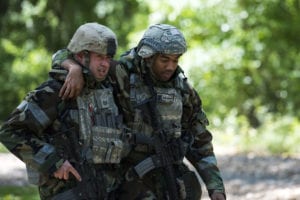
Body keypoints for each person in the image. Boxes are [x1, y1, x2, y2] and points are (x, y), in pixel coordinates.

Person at [52, 24, 226, 200]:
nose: (170, 67)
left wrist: (215, 187)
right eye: (164, 60)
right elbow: (68, 54)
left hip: (168, 175)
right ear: (148, 56)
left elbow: (200, 141)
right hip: (127, 179)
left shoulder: (183, 90)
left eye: (175, 60)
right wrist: (73, 68)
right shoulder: (122, 73)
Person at [0, 22, 130, 200]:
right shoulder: (56, 90)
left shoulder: (108, 87)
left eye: (108, 57)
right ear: (81, 56)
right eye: (99, 57)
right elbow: (11, 131)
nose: (105, 64)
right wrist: (53, 162)